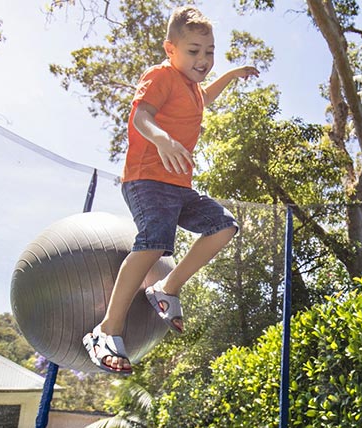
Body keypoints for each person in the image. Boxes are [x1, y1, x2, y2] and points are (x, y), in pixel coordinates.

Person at [83, 6, 259, 374]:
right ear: (171, 50)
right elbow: (141, 116)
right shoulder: (160, 76)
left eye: (209, 51)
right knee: (155, 240)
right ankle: (106, 330)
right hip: (147, 178)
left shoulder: (193, 90)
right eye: (194, 51)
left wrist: (230, 74)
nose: (203, 59)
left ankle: (166, 287)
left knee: (223, 225)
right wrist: (162, 140)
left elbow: (204, 99)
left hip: (178, 187)